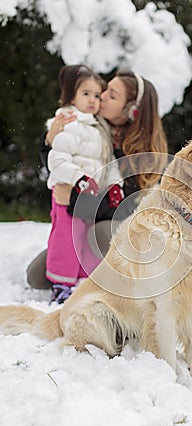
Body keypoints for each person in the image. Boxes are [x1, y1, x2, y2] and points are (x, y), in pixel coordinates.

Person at [27, 69, 168, 295]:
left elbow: (121, 211)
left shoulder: (140, 154)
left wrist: (73, 198)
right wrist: (49, 141)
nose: (100, 97)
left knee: (102, 234)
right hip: (86, 215)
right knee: (37, 276)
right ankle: (74, 268)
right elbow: (62, 163)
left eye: (111, 96)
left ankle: (111, 284)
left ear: (132, 111)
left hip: (123, 230)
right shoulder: (93, 125)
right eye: (105, 90)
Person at [44, 65, 124, 303]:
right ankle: (60, 283)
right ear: (72, 96)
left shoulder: (98, 127)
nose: (92, 100)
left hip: (90, 196)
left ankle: (82, 280)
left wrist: (114, 185)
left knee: (85, 238)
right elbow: (57, 158)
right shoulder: (69, 123)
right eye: (86, 94)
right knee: (66, 238)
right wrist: (77, 177)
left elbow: (107, 162)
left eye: (97, 95)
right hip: (69, 192)